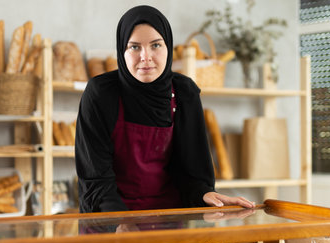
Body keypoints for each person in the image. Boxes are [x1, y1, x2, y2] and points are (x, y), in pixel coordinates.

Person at [75, 5, 255, 215]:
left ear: (168, 47)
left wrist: (203, 194)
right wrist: (121, 226)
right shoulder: (101, 94)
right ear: (121, 51)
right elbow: (95, 180)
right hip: (111, 222)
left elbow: (191, 173)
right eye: (134, 47)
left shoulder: (184, 93)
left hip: (169, 225)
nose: (146, 56)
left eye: (156, 45)